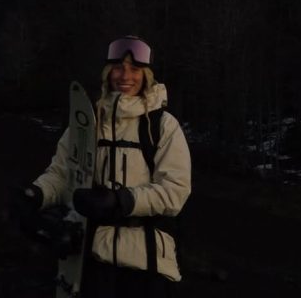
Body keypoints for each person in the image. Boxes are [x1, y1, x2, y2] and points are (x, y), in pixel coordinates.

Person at [11, 36, 191, 297]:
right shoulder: (87, 122)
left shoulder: (163, 126)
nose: (125, 75)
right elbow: (63, 175)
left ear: (146, 75)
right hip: (91, 258)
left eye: (134, 69)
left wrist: (120, 200)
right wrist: (36, 194)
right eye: (118, 67)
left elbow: (175, 190)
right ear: (108, 73)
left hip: (146, 263)